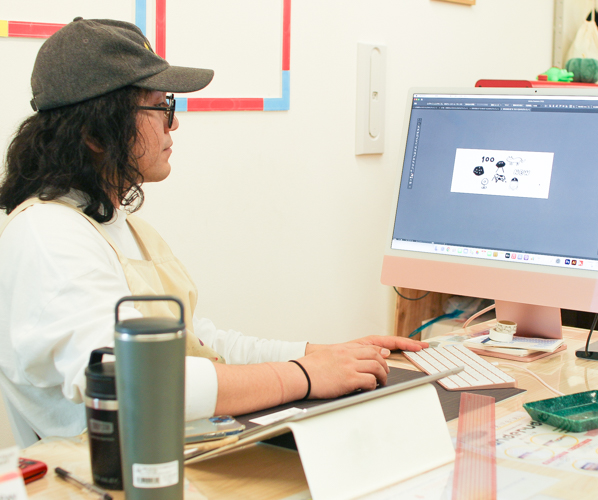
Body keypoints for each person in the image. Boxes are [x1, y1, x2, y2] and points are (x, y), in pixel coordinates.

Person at [0, 18, 426, 439]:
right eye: (162, 107)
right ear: (95, 132)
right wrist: (304, 376)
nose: (175, 123)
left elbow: (199, 345)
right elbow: (137, 383)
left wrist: (319, 355)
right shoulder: (48, 238)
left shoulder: (117, 227)